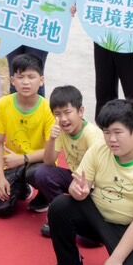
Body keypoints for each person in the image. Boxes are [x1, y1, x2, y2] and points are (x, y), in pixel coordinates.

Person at [41, 98, 133, 265]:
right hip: (96, 216)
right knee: (60, 205)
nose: (111, 139)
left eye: (118, 132)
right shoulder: (99, 150)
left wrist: (115, 260)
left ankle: (126, 257)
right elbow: (78, 185)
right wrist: (77, 191)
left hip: (128, 227)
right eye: (107, 132)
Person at [0, 53, 54, 218]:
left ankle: (45, 196)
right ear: (12, 81)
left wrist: (23, 158)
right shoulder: (2, 105)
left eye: (31, 77)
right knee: (0, 208)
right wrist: (1, 178)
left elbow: (52, 151)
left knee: (37, 174)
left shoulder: (48, 109)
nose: (25, 82)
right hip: (12, 163)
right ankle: (22, 188)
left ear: (41, 80)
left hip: (39, 163)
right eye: (20, 76)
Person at [33, 85, 105, 226]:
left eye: (67, 112)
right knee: (42, 173)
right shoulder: (60, 130)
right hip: (76, 179)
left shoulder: (91, 134)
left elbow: (99, 168)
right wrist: (52, 139)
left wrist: (78, 185)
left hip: (96, 185)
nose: (63, 119)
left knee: (88, 240)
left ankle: (77, 214)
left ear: (81, 111)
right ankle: (59, 213)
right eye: (57, 114)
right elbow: (48, 161)